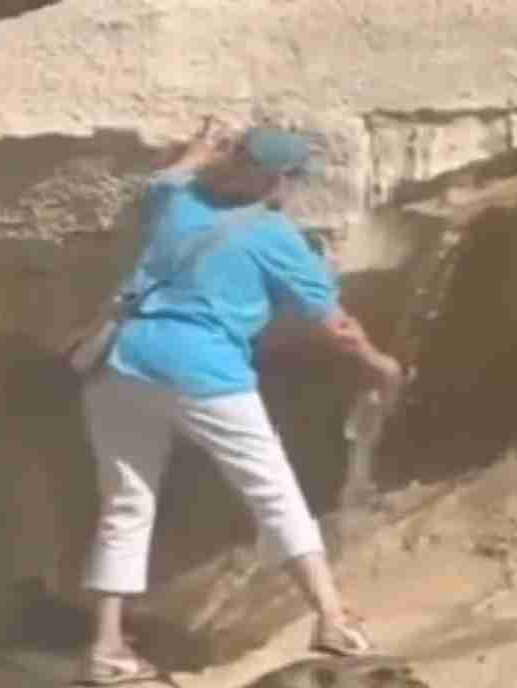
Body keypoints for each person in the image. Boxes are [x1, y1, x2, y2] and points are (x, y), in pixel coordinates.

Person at [76, 118, 404, 685]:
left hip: (122, 364)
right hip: (205, 372)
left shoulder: (178, 202)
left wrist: (198, 152)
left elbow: (164, 179)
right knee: (272, 489)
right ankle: (331, 620)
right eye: (290, 177)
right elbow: (336, 325)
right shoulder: (274, 236)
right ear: (277, 177)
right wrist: (380, 365)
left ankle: (107, 649)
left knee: (127, 504)